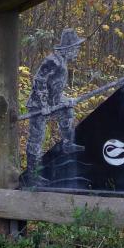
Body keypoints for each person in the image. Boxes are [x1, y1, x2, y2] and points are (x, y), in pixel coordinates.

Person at [25, 29, 85, 177]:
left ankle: (68, 144)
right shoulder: (53, 61)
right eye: (76, 49)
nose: (77, 52)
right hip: (38, 105)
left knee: (67, 111)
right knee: (36, 138)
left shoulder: (63, 61)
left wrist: (65, 99)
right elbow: (39, 81)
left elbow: (55, 88)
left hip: (53, 102)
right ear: (69, 49)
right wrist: (44, 105)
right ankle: (33, 174)